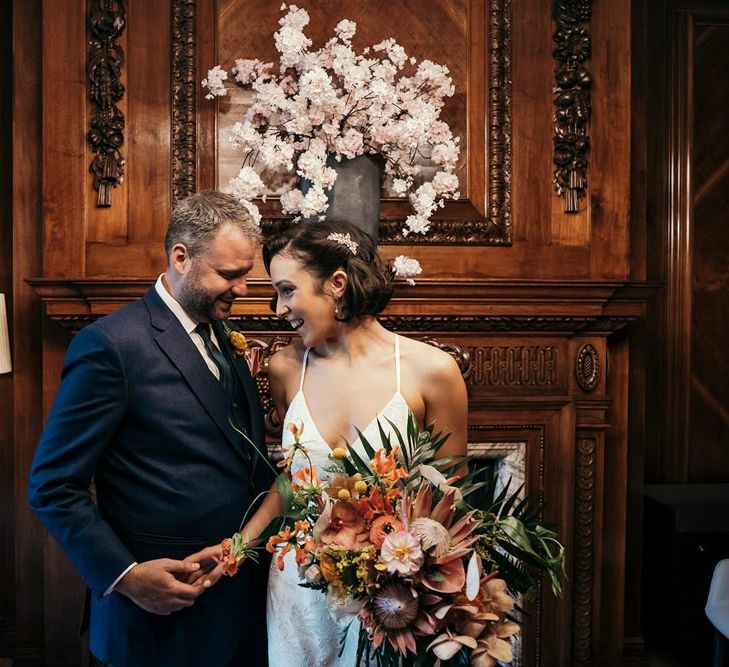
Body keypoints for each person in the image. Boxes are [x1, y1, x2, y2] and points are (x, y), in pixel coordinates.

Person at [187, 219, 468, 666]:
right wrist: (238, 546)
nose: (278, 309)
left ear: (336, 284)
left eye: (286, 290)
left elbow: (450, 503)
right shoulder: (284, 369)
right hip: (299, 587)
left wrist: (423, 592)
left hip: (391, 596)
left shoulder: (431, 371)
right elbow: (293, 481)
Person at [28, 192, 272, 666]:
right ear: (181, 257)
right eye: (229, 275)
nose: (243, 289)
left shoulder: (222, 333)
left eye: (247, 274)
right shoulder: (110, 347)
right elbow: (53, 485)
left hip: (241, 607)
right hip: (158, 615)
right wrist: (125, 576)